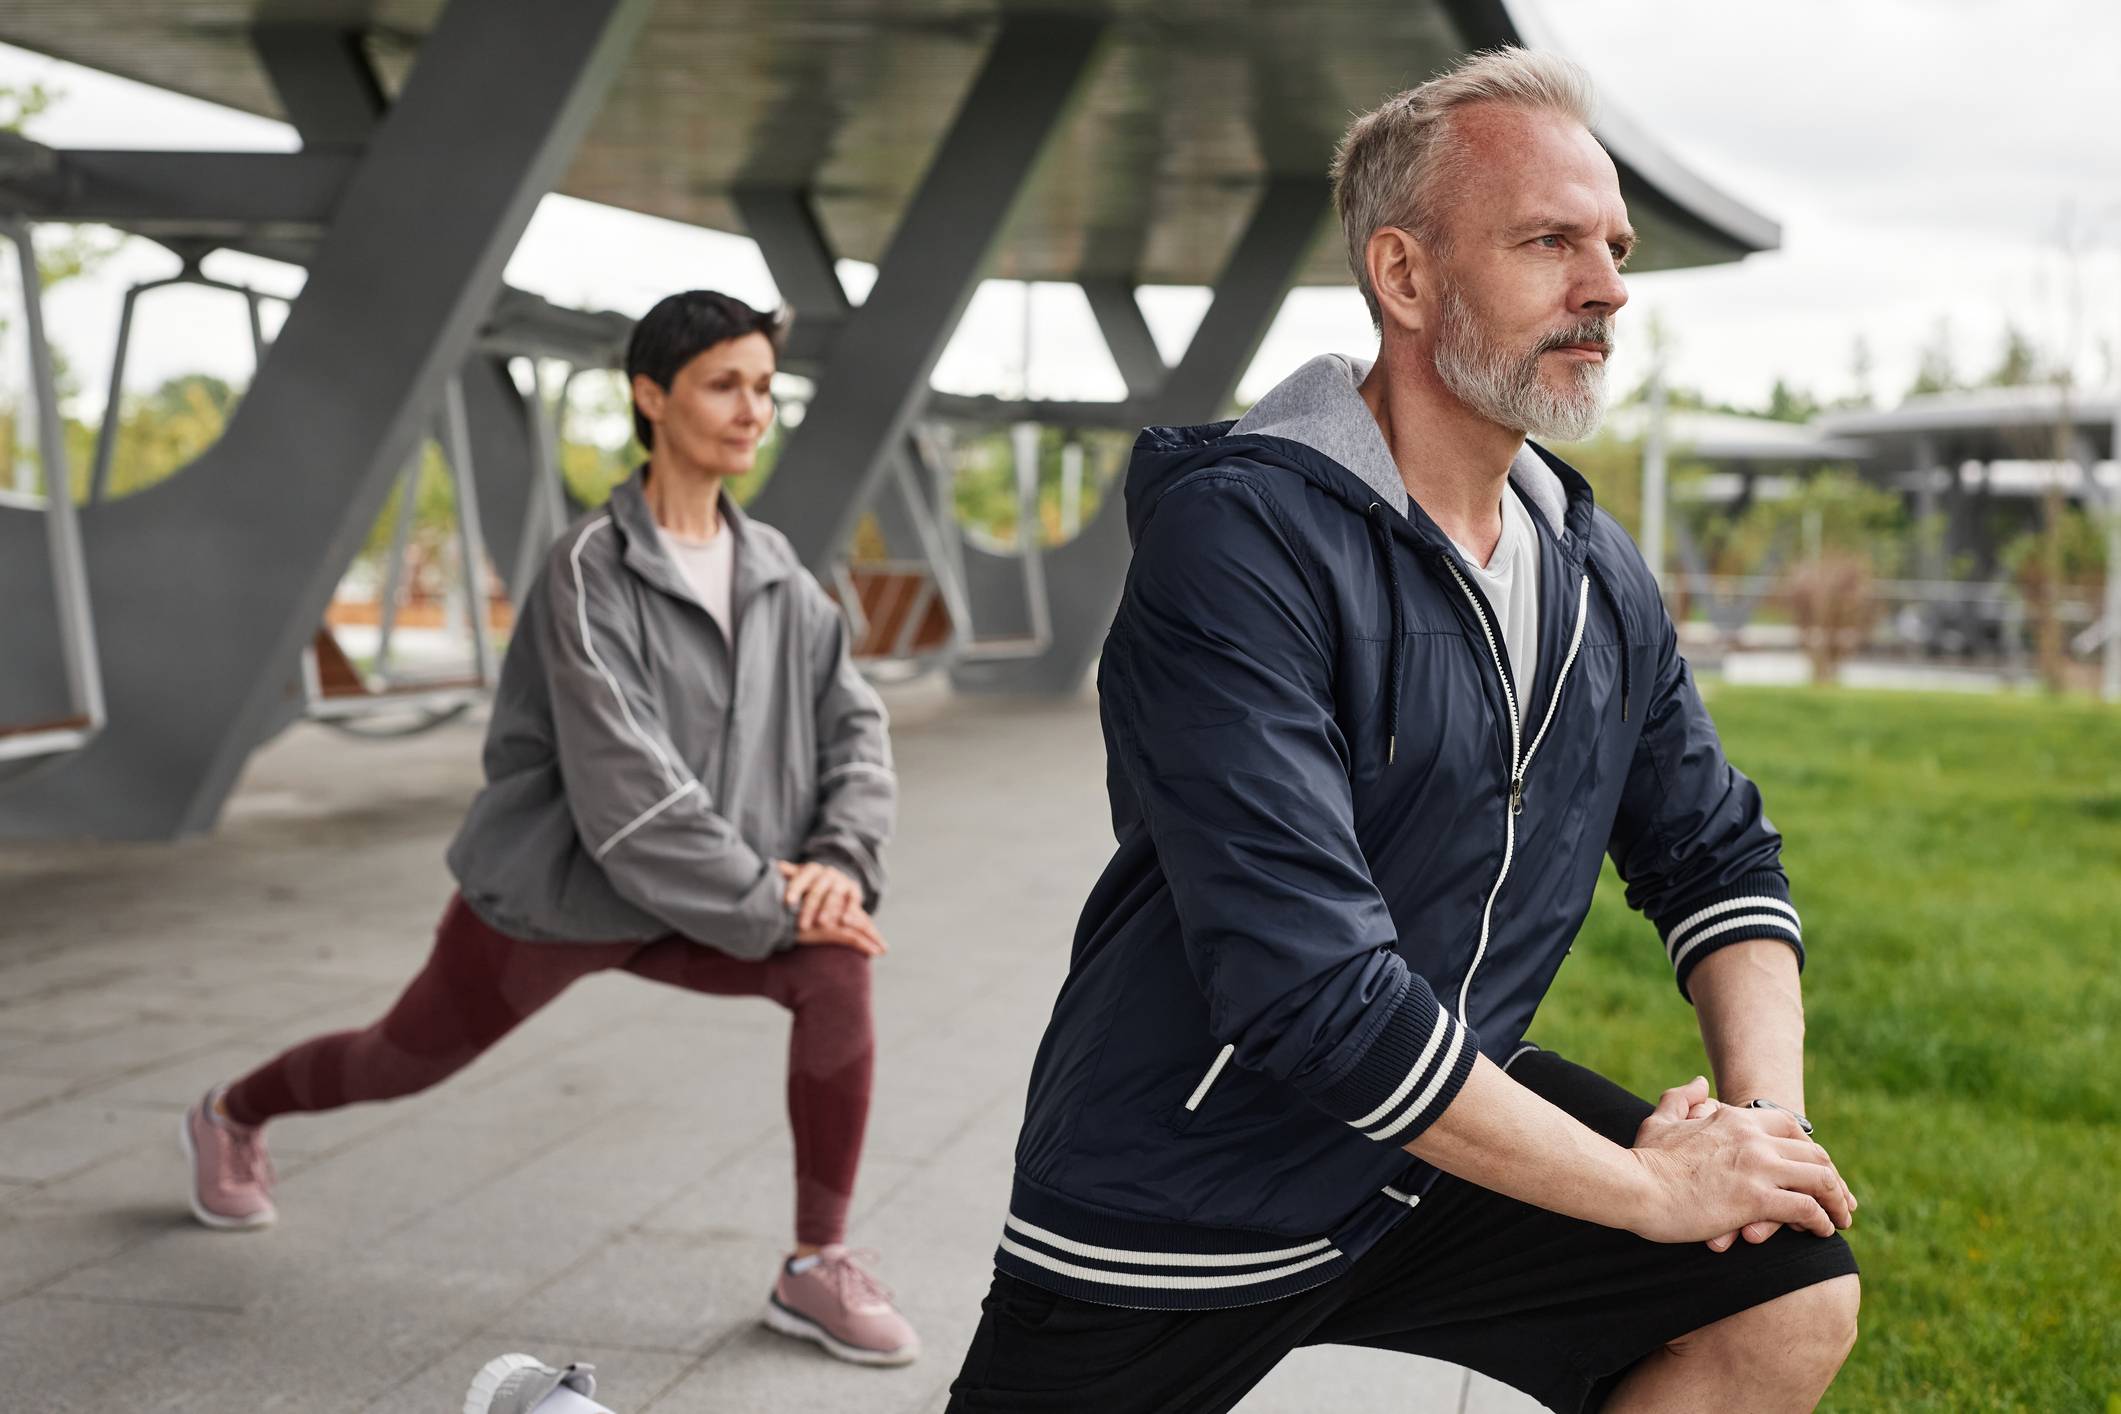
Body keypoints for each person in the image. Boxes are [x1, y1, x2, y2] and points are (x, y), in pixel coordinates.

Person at [946, 48, 1858, 1414]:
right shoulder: (1240, 536)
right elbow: (1311, 988)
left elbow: (1717, 856)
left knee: (1785, 1279)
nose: (1605, 285)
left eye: (1610, 246)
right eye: (1549, 241)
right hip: (1187, 1188)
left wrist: (1753, 1131)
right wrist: (1645, 1186)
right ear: (1407, 277)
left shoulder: (1591, 568)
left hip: (1448, 1148)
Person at [181, 290, 920, 1367]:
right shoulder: (590, 571)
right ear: (651, 396)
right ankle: (230, 1111)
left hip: (718, 899)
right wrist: (773, 898)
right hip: (561, 897)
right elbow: (628, 790)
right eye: (724, 384)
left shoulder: (786, 584)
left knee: (835, 964)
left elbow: (857, 729)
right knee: (399, 1059)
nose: (752, 409)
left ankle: (815, 1264)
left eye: (764, 387)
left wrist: (837, 870)